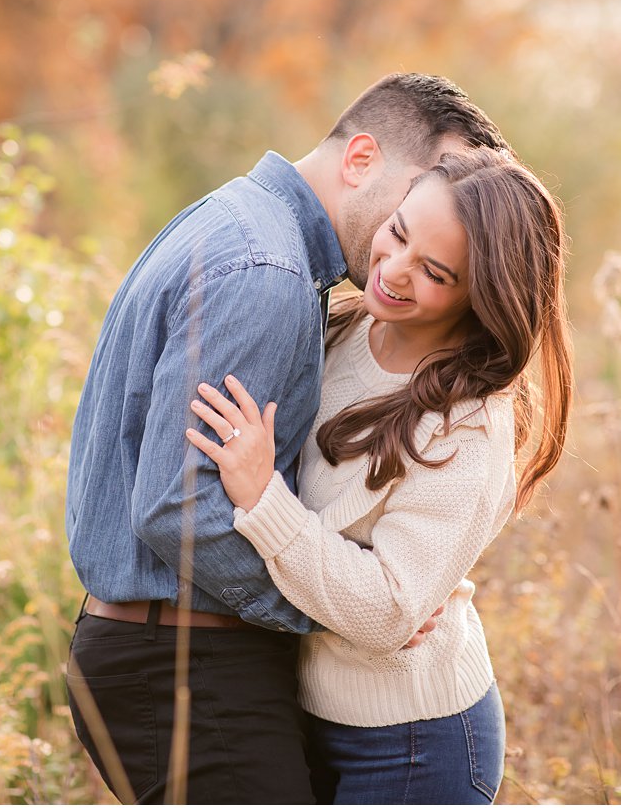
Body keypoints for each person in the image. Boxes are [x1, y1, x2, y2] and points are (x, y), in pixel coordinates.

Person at [63, 74, 511, 804]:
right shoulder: (267, 272)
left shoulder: (236, 225)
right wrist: (334, 618)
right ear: (362, 156)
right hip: (182, 661)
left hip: (169, 650)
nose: (432, 216)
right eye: (428, 187)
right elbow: (180, 508)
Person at [184, 148, 572, 804]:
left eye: (435, 272)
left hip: (418, 743)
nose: (392, 270)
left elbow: (388, 608)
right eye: (398, 232)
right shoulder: (342, 325)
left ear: (484, 296)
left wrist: (263, 500)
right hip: (309, 706)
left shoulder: (465, 428)